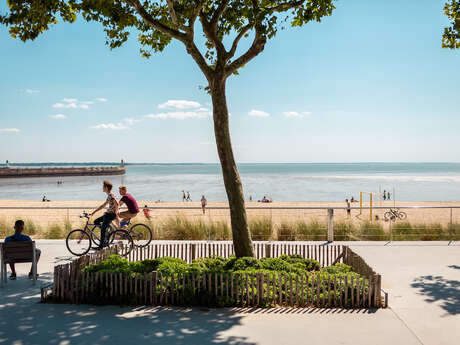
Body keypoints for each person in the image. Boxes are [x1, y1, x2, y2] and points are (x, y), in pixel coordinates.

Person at [90, 180, 119, 249]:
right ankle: (106, 230)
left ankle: (101, 246)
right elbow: (103, 205)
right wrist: (94, 212)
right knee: (96, 221)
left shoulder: (111, 195)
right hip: (108, 214)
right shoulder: (109, 195)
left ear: (106, 188)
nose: (102, 188)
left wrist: (116, 212)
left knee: (102, 230)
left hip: (110, 215)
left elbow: (117, 203)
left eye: (103, 186)